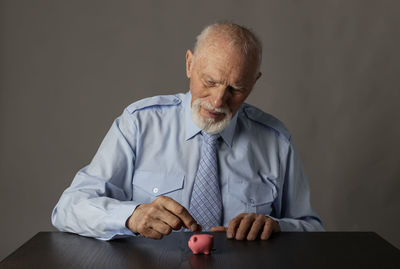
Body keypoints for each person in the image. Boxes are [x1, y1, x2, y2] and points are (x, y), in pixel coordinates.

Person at [52, 22, 323, 241]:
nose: (218, 101)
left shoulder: (276, 141)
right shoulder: (139, 124)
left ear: (254, 82)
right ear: (189, 64)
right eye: (210, 81)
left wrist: (276, 227)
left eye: (236, 88)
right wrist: (131, 216)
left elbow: (313, 230)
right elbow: (67, 209)